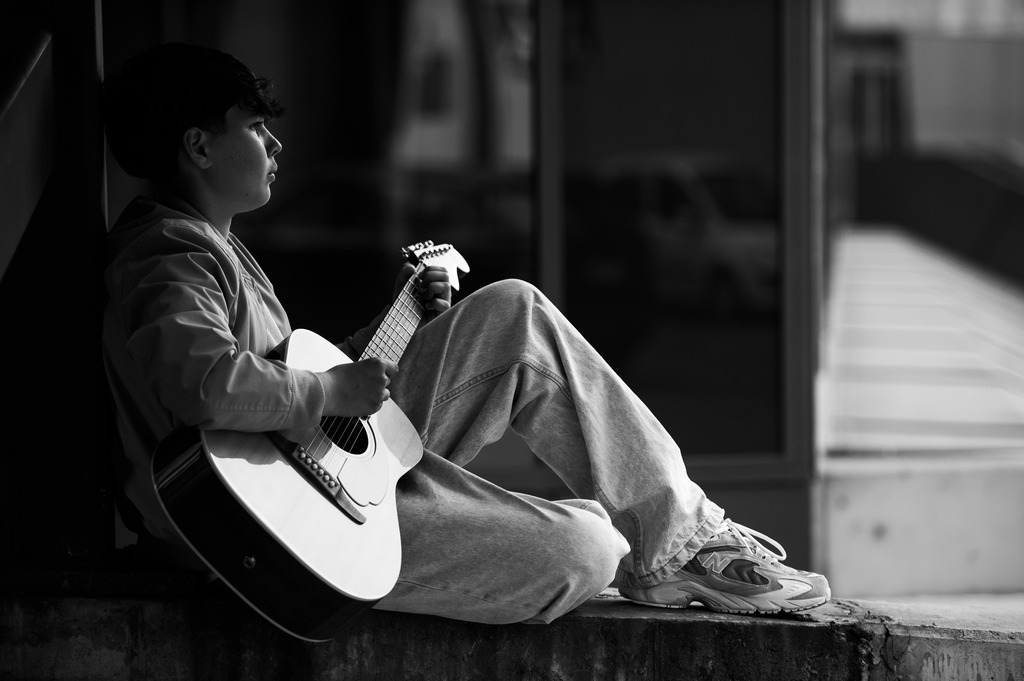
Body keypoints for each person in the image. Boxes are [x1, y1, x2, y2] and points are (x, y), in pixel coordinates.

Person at [101, 42, 830, 626]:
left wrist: (402, 318)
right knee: (586, 546)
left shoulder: (208, 243)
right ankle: (640, 540)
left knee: (512, 311)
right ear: (198, 146)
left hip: (307, 481)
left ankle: (679, 540)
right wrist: (328, 386)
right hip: (269, 540)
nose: (276, 144)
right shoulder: (170, 254)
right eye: (254, 128)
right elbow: (202, 385)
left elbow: (302, 402)